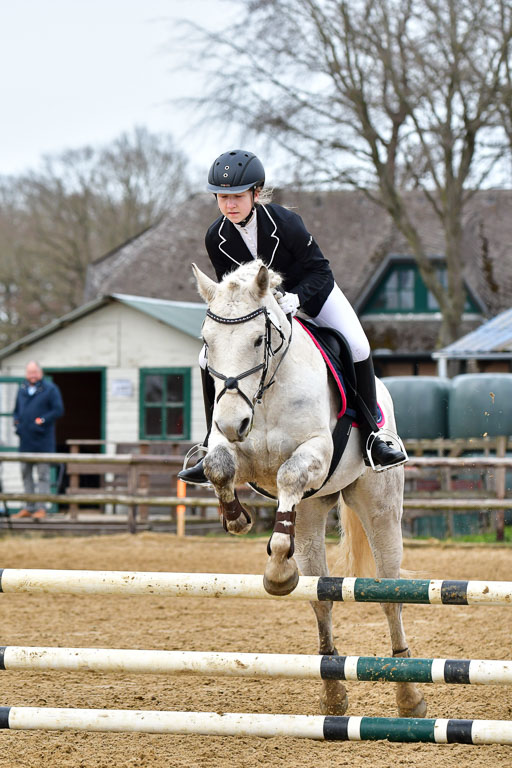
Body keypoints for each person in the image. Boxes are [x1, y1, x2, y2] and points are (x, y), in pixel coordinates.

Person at [178, 149, 406, 485]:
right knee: (204, 357)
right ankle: (213, 443)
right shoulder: (217, 237)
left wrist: (297, 298)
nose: (230, 205)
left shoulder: (285, 223)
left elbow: (320, 271)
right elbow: (233, 293)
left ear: (256, 194)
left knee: (357, 345)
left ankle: (374, 436)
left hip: (313, 295)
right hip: (261, 314)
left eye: (237, 197)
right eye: (222, 197)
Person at [12, 361, 64, 519]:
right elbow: (16, 410)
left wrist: (42, 420)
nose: (32, 376)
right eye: (29, 373)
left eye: (35, 372)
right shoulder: (22, 389)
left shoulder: (50, 389)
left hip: (43, 442)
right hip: (25, 441)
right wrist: (17, 422)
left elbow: (58, 410)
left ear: (40, 373)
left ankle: (41, 508)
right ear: (26, 374)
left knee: (43, 476)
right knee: (25, 474)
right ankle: (28, 506)